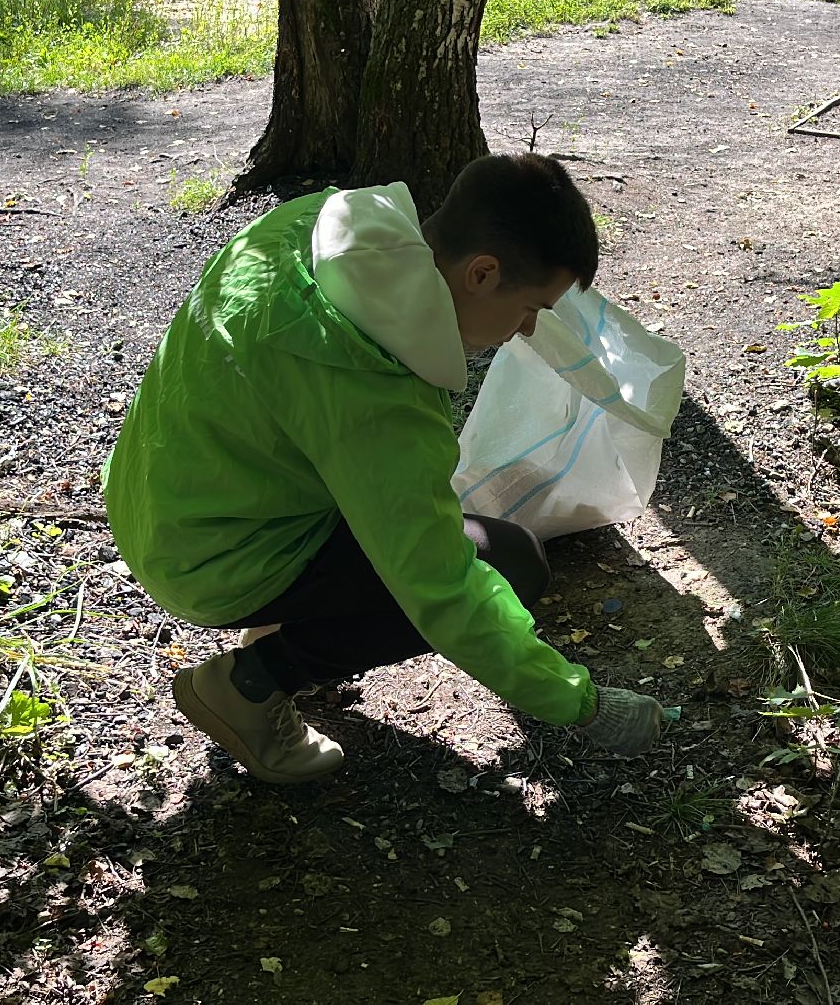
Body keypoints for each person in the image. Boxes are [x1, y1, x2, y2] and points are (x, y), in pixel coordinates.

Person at [101, 152, 664, 784]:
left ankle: (278, 627)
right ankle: (249, 685)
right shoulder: (379, 393)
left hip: (154, 495)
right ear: (482, 273)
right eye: (531, 307)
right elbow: (443, 588)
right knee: (510, 562)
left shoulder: (312, 228)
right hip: (214, 563)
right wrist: (580, 705)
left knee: (436, 534)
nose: (529, 329)